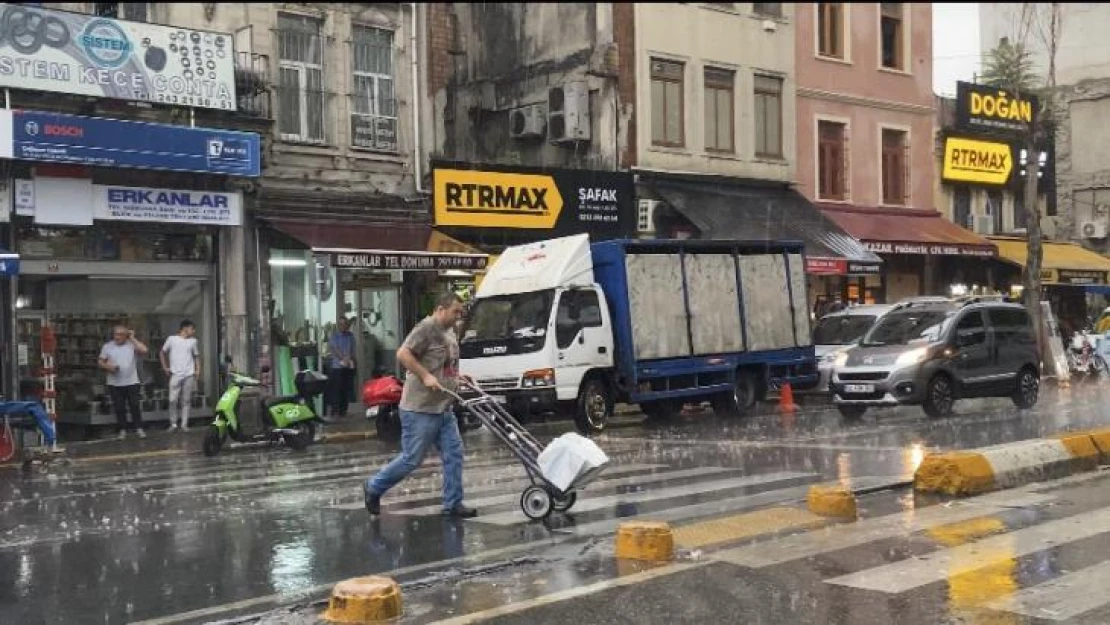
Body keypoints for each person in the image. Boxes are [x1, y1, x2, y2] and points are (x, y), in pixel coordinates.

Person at [364, 292, 476, 518]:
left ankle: (453, 504)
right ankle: (374, 487)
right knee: (412, 459)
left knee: (454, 454)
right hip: (420, 409)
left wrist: (457, 378)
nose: (458, 316)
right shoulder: (426, 328)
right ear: (441, 309)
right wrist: (425, 376)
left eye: (460, 312)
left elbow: (446, 363)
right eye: (455, 311)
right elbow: (403, 354)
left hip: (443, 407)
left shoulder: (449, 332)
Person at [98, 325, 149, 440]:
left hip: (131, 381)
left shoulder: (131, 345)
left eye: (120, 335)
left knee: (134, 405)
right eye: (115, 334)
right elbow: (100, 361)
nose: (117, 337)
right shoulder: (108, 346)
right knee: (119, 407)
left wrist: (132, 338)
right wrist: (108, 367)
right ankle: (122, 429)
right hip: (114, 383)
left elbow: (144, 350)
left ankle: (139, 428)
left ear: (126, 335)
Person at [161, 320, 200, 432]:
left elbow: (196, 356)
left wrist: (198, 370)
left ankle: (184, 424)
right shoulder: (171, 339)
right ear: (185, 328)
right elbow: (162, 352)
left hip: (189, 374)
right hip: (175, 373)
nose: (193, 331)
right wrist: (165, 367)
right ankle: (173, 423)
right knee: (172, 399)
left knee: (186, 400)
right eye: (192, 328)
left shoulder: (193, 341)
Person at [326, 317, 356, 417]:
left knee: (346, 388)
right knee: (336, 389)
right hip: (337, 367)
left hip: (347, 366)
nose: (343, 326)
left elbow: (352, 349)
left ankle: (343, 410)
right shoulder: (334, 336)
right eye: (341, 324)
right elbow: (334, 349)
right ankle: (335, 410)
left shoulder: (350, 336)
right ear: (338, 325)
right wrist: (343, 359)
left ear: (347, 325)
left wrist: (349, 358)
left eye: (345, 324)